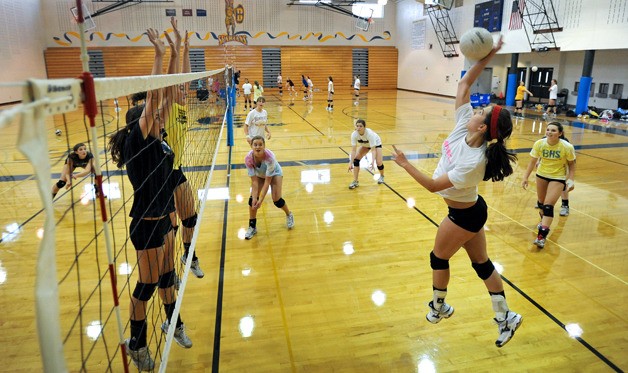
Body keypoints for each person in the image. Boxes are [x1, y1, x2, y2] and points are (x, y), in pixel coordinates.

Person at [391, 36, 523, 348]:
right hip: (471, 211)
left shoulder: (474, 162)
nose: (476, 109)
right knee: (482, 265)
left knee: (438, 257)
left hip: (464, 216)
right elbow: (464, 85)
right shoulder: (465, 122)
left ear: (482, 127)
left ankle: (439, 307)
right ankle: (507, 316)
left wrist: (405, 164)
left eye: (482, 111)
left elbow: (434, 186)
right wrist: (488, 54)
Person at [108, 27, 192, 371]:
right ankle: (137, 343)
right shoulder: (138, 145)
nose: (160, 116)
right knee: (147, 284)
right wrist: (158, 55)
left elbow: (169, 95)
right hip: (145, 226)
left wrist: (175, 54)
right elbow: (157, 97)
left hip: (165, 219)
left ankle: (173, 323)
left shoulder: (160, 141)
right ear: (140, 126)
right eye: (154, 116)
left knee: (168, 276)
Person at [163, 17, 204, 279]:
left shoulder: (182, 105)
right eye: (178, 87)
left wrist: (187, 48)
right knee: (169, 230)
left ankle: (189, 256)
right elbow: (172, 80)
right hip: (160, 177)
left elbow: (184, 79)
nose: (183, 89)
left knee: (190, 217)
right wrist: (175, 49)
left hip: (175, 168)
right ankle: (168, 273)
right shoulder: (166, 105)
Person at [522, 121, 576, 248]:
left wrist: (571, 180)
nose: (549, 132)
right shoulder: (540, 144)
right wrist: (525, 177)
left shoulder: (567, 147)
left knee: (547, 206)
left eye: (553, 130)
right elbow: (532, 162)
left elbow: (572, 165)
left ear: (560, 133)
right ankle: (544, 222)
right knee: (541, 204)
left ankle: (541, 236)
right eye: (548, 130)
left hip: (557, 177)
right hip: (541, 175)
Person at [243, 135, 294, 240]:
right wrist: (255, 199)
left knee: (277, 200)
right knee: (252, 200)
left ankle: (289, 214)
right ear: (251, 146)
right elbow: (254, 182)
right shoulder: (248, 159)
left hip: (274, 174)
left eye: (260, 144)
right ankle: (252, 226)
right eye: (255, 145)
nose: (258, 147)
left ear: (264, 146)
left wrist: (261, 200)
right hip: (259, 176)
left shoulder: (270, 158)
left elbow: (267, 182)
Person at [348, 119, 385, 189]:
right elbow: (353, 150)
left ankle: (382, 176)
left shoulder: (370, 134)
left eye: (360, 126)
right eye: (357, 126)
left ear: (364, 127)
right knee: (356, 160)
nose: (358, 128)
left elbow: (373, 150)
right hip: (365, 144)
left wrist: (373, 161)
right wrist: (350, 162)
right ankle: (355, 181)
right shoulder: (354, 134)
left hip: (376, 144)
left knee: (379, 163)